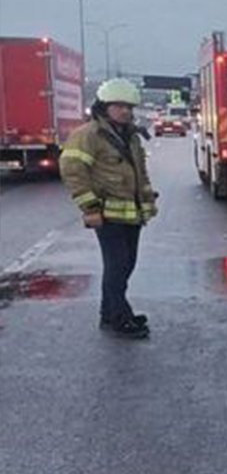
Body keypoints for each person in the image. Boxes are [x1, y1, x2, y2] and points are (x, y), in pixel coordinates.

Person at [59, 78, 159, 339]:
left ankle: (108, 312)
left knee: (126, 264)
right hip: (106, 214)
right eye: (118, 106)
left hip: (130, 215)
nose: (125, 111)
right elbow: (73, 171)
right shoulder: (88, 135)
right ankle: (119, 317)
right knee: (117, 265)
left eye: (128, 106)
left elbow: (140, 173)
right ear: (103, 107)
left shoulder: (130, 137)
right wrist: (90, 207)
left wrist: (147, 203)